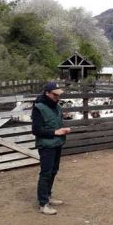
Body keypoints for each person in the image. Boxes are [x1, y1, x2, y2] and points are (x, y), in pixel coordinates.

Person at [32, 82, 71, 215]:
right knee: (46, 173)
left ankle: (48, 196)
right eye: (55, 95)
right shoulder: (39, 107)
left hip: (57, 144)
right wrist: (56, 132)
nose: (57, 97)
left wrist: (62, 130)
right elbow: (36, 130)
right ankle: (43, 203)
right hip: (46, 145)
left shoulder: (56, 106)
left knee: (54, 171)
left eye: (58, 95)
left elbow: (55, 122)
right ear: (47, 93)